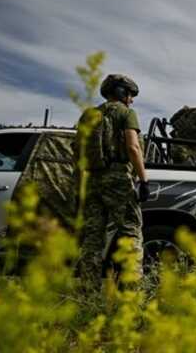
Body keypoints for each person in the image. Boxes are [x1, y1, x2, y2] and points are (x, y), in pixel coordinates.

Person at [75, 74, 150, 288]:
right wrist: (144, 180)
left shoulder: (88, 116)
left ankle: (88, 290)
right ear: (120, 92)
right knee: (131, 231)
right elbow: (133, 147)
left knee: (92, 238)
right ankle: (133, 292)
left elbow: (77, 152)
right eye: (129, 94)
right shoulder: (126, 113)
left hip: (92, 179)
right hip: (118, 179)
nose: (131, 100)